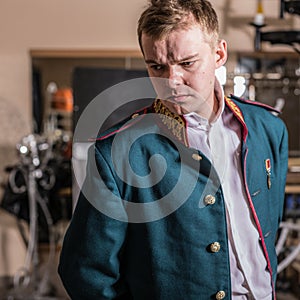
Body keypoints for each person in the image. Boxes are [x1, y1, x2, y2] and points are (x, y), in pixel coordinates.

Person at [58, 0, 289, 299]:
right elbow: (85, 272)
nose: (172, 81)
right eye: (157, 66)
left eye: (187, 63)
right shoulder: (117, 152)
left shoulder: (268, 129)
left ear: (219, 53)